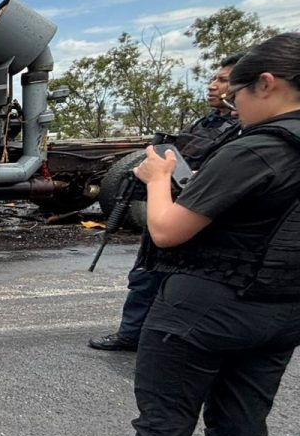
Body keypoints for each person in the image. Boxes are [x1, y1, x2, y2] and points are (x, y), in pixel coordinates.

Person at [88, 34, 300, 436]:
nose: (234, 106)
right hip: (283, 308)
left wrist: (159, 177)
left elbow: (166, 230)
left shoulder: (259, 147)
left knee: (168, 415)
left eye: (237, 96)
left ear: (267, 85)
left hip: (205, 305)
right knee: (244, 418)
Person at [89, 56, 245, 351]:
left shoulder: (244, 133)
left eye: (223, 80)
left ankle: (160, 338)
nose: (213, 86)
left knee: (174, 279)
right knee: (147, 273)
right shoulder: (209, 122)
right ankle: (133, 333)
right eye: (214, 78)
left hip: (197, 214)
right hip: (173, 203)